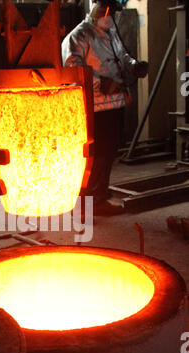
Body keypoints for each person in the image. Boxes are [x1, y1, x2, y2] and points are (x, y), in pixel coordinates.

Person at [62, 0, 148, 216]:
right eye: (103, 9)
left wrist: (133, 65)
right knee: (94, 157)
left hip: (114, 104)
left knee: (108, 153)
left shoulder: (111, 33)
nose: (107, 14)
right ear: (93, 8)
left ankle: (99, 196)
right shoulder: (78, 36)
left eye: (111, 11)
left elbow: (122, 56)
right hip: (95, 109)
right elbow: (73, 70)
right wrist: (102, 83)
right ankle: (85, 203)